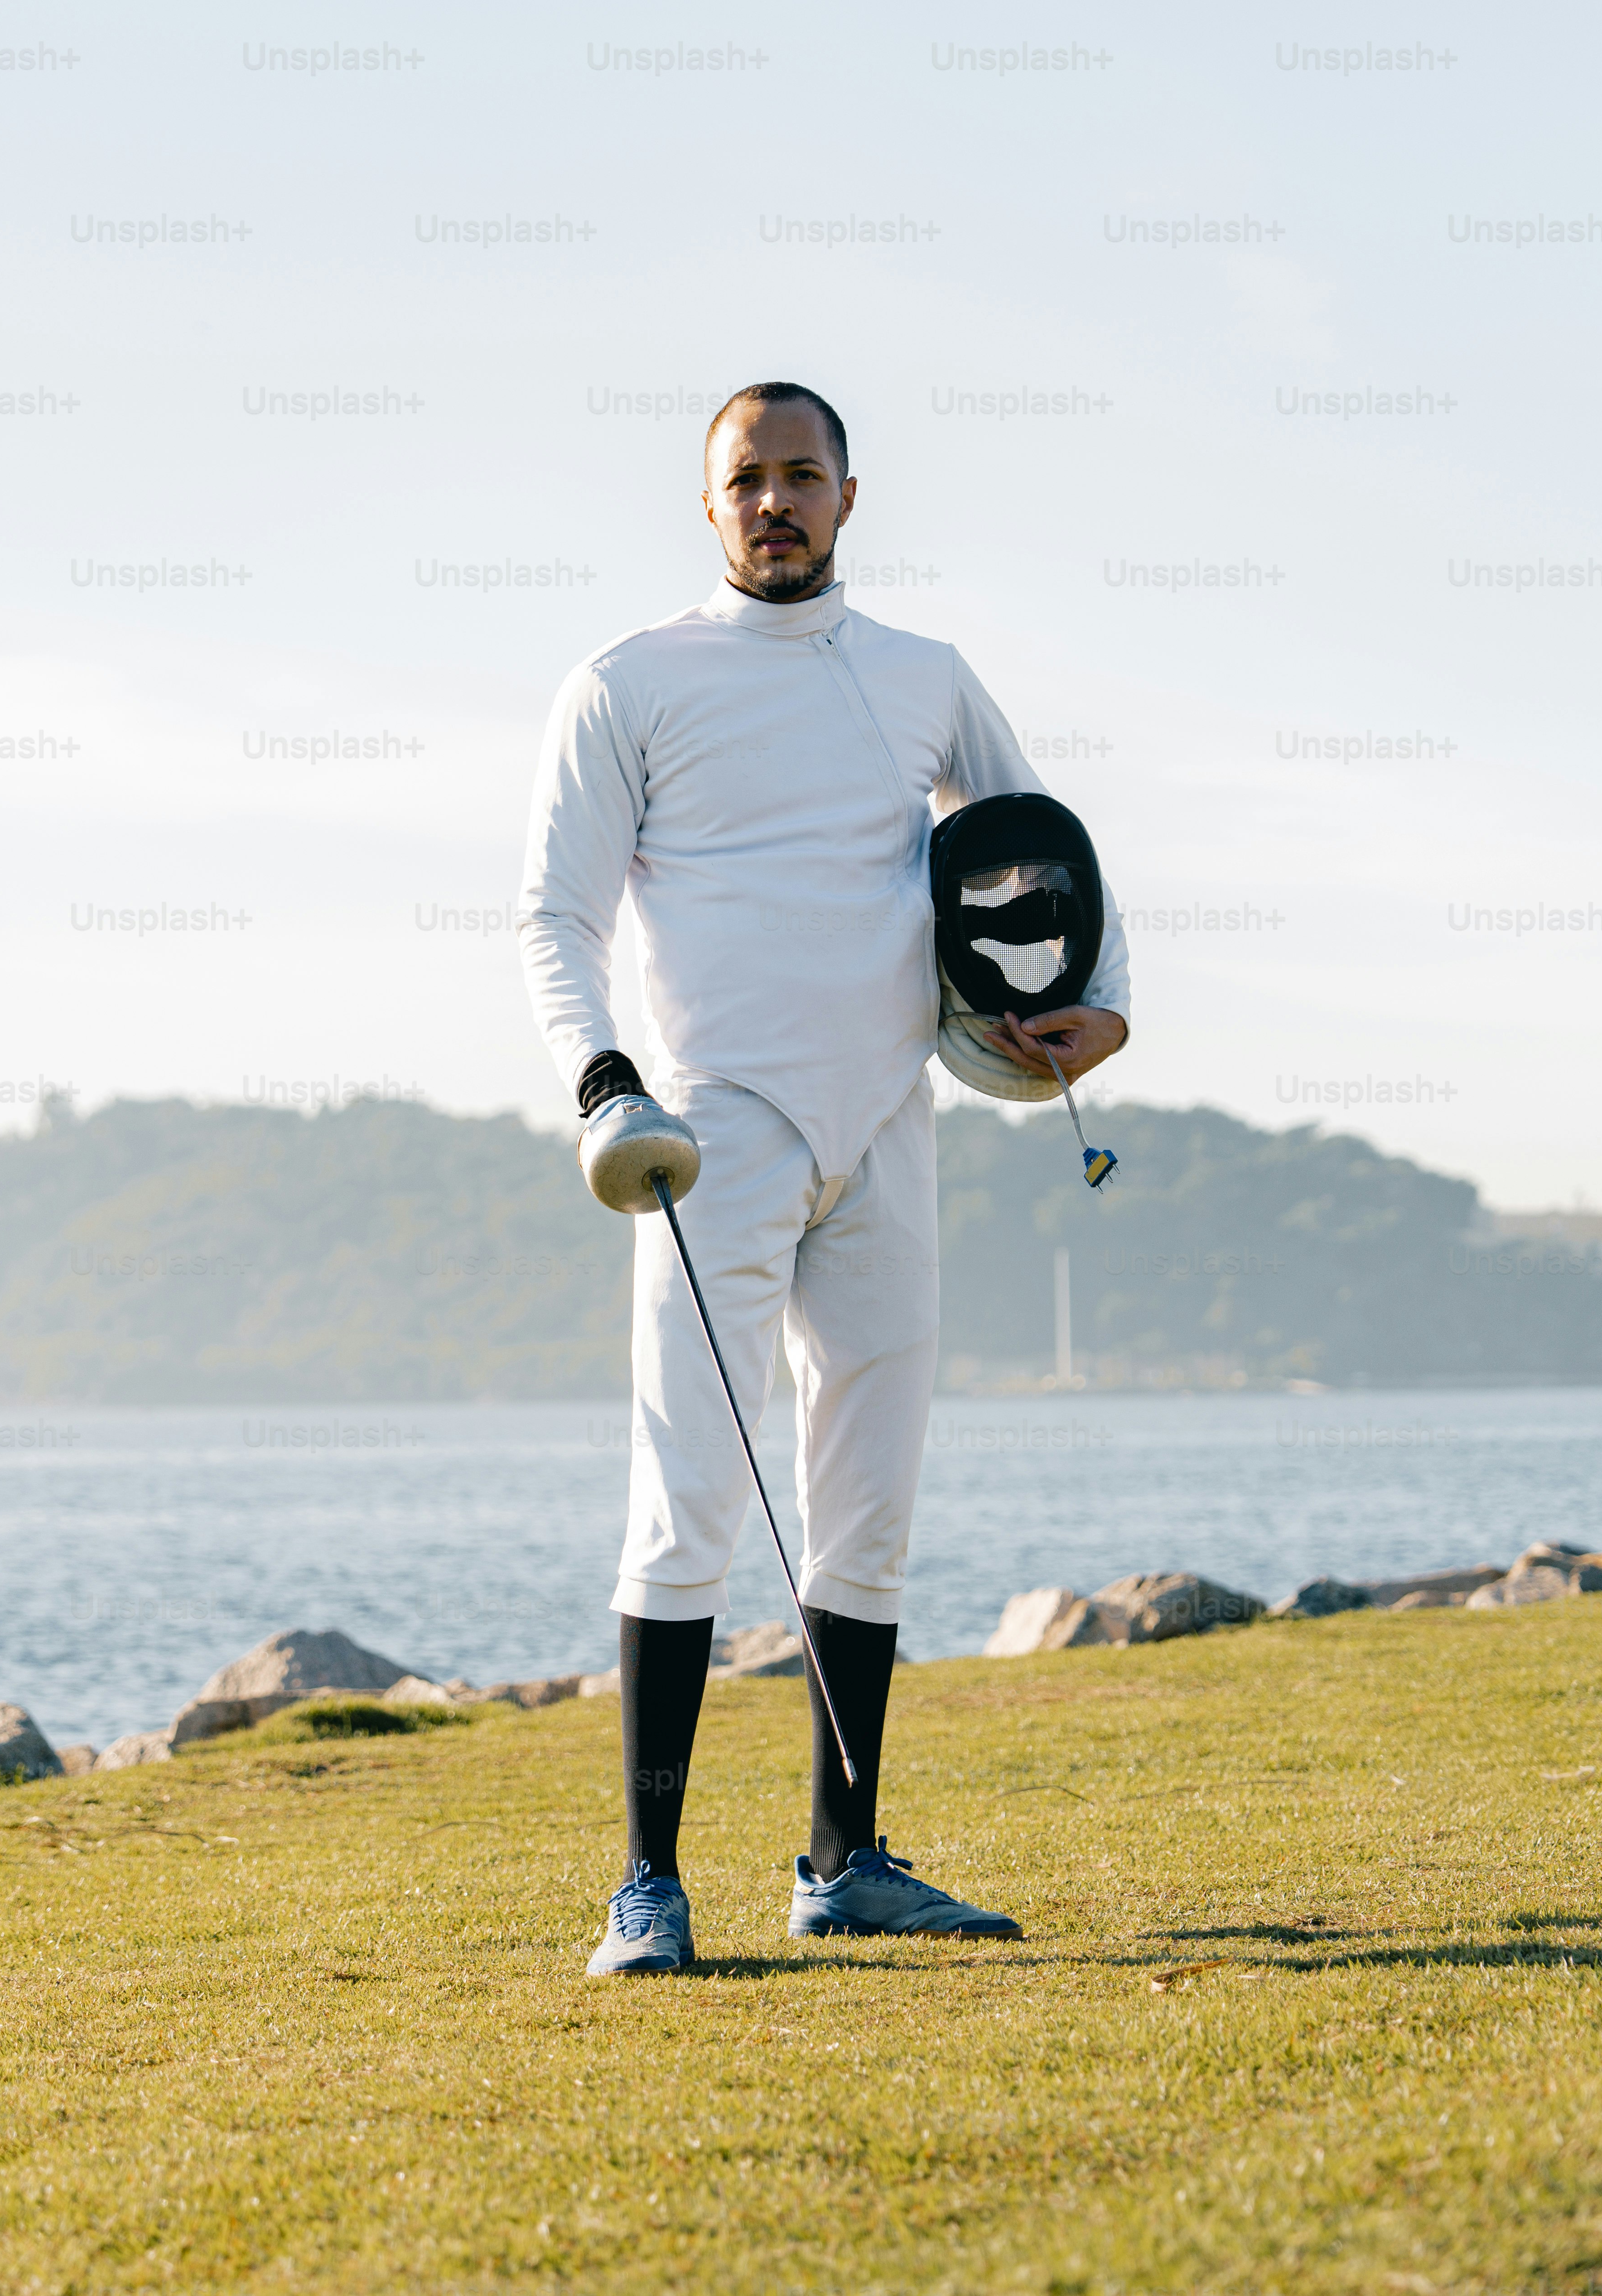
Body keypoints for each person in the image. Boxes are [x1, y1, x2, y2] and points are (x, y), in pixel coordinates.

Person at [513, 382, 1130, 1975]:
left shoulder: (923, 678)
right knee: (689, 1501)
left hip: (890, 1125)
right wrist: (602, 1080)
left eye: (802, 477)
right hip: (706, 1138)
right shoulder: (629, 682)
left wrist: (1099, 1004)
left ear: (851, 497)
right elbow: (553, 918)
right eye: (745, 481)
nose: (773, 502)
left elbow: (1041, 837)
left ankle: (841, 1862)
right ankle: (646, 1886)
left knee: (868, 1509)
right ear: (705, 506)